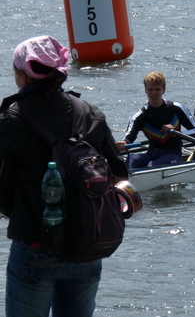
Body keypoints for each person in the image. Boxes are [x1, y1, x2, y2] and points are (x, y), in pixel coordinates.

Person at [0, 35, 128, 317]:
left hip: (34, 245)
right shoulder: (89, 112)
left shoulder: (11, 119)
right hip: (87, 244)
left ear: (22, 76)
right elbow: (119, 173)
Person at [117, 71, 195, 169]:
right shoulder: (141, 115)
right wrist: (123, 143)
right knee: (132, 158)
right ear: (145, 90)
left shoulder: (176, 109)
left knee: (152, 166)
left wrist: (176, 133)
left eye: (157, 89)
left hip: (172, 153)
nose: (153, 93)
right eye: (150, 89)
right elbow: (129, 137)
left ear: (164, 90)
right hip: (152, 153)